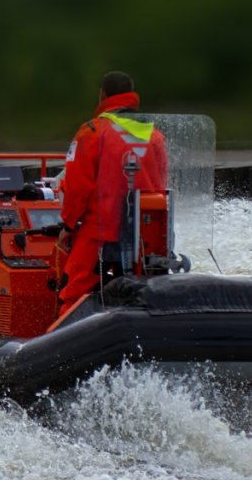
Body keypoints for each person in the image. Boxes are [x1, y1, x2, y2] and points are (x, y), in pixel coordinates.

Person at [56, 71, 168, 317]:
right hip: (145, 235)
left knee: (73, 294)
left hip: (100, 232)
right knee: (148, 293)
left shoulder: (92, 131)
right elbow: (160, 185)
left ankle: (68, 344)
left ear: (102, 95)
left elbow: (77, 187)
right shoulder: (155, 135)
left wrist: (68, 224)